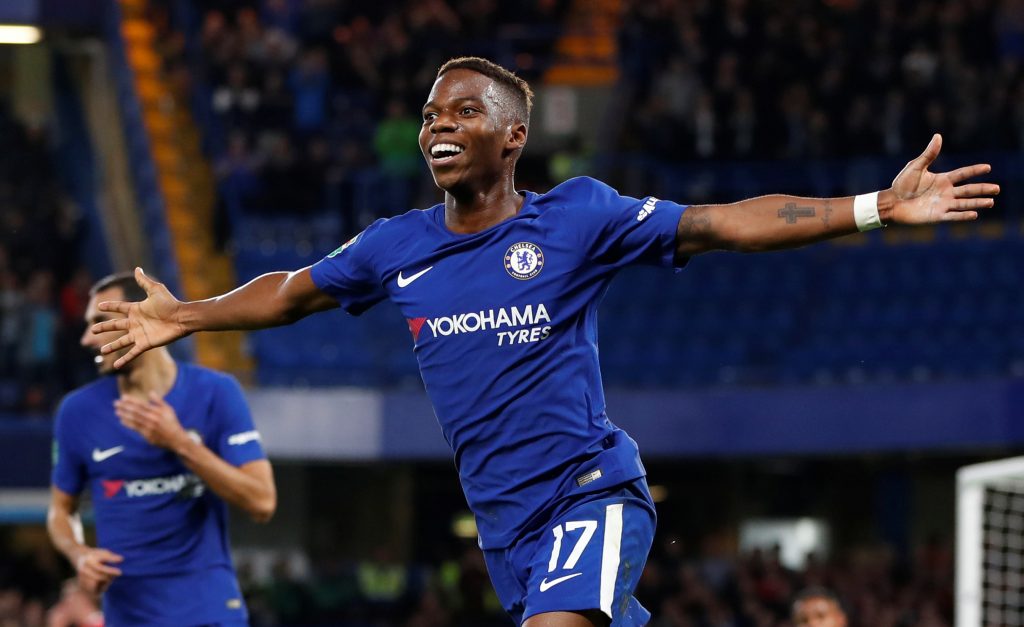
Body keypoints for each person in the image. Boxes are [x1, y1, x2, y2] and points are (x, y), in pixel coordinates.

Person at [92, 57, 998, 627]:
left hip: (588, 493)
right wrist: (185, 314)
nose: (439, 127)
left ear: (513, 136)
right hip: (506, 530)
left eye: (462, 113)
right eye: (431, 116)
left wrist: (876, 206)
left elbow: (722, 222)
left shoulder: (578, 218)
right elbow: (291, 294)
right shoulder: (395, 245)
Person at [48, 272, 277, 626]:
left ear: (140, 316)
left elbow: (261, 501)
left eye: (99, 322)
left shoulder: (216, 393)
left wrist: (181, 444)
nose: (86, 339)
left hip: (207, 612)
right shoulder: (76, 412)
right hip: (127, 614)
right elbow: (60, 511)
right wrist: (78, 554)